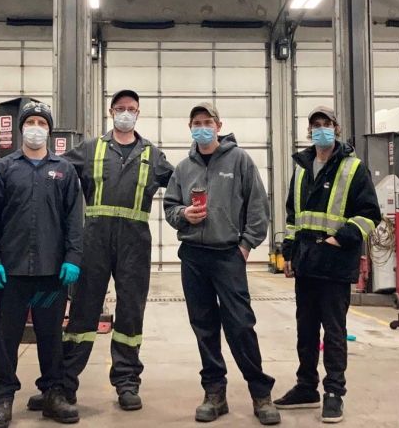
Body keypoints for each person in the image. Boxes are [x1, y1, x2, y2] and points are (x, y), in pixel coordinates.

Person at [26, 90, 172, 414]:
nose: (125, 113)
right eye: (120, 108)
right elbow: (58, 174)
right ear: (110, 112)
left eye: (131, 109)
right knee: (83, 312)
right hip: (94, 241)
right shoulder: (92, 149)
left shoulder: (153, 154)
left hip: (135, 243)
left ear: (138, 113)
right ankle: (63, 386)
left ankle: (127, 383)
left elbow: (179, 186)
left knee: (131, 312)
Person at [163, 102, 281, 426]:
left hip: (229, 255)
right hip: (193, 258)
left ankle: (260, 393)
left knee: (240, 325)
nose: (202, 126)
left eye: (207, 121)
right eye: (196, 122)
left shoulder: (239, 159)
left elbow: (258, 206)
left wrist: (245, 246)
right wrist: (183, 215)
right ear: (190, 128)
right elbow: (170, 207)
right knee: (204, 327)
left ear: (218, 125)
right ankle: (214, 393)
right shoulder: (183, 168)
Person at [274, 106, 381, 424]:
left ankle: (334, 392)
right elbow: (294, 215)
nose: (321, 129)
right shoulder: (303, 167)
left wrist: (341, 238)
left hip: (334, 265)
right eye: (315, 125)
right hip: (306, 265)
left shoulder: (353, 168)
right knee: (305, 331)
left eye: (326, 124)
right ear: (309, 131)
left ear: (337, 128)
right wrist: (289, 253)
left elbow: (369, 214)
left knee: (334, 332)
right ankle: (307, 387)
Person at [0, 101, 84, 427]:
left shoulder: (64, 171)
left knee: (50, 334)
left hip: (50, 275)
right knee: (6, 335)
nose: (35, 127)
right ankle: (2, 397)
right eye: (30, 122)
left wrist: (72, 258)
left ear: (49, 130)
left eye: (41, 122)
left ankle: (53, 392)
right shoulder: (3, 169)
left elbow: (74, 220)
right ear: (22, 128)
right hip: (11, 275)